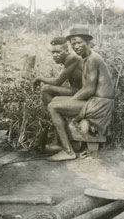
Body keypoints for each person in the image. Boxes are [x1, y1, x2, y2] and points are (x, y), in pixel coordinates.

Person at [46, 25, 114, 161]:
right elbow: (87, 88)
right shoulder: (86, 59)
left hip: (99, 105)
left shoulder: (93, 58)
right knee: (55, 101)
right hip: (94, 102)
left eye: (78, 42)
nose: (75, 46)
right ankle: (64, 140)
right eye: (73, 44)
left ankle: (68, 151)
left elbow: (89, 89)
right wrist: (69, 101)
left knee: (53, 107)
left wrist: (70, 102)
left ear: (88, 42)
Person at [33, 37, 82, 151]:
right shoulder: (68, 59)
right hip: (76, 90)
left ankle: (57, 119)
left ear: (66, 51)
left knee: (46, 89)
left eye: (58, 52)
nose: (55, 55)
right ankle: (56, 119)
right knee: (46, 90)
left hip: (82, 93)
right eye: (53, 52)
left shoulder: (72, 58)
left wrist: (39, 78)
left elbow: (57, 82)